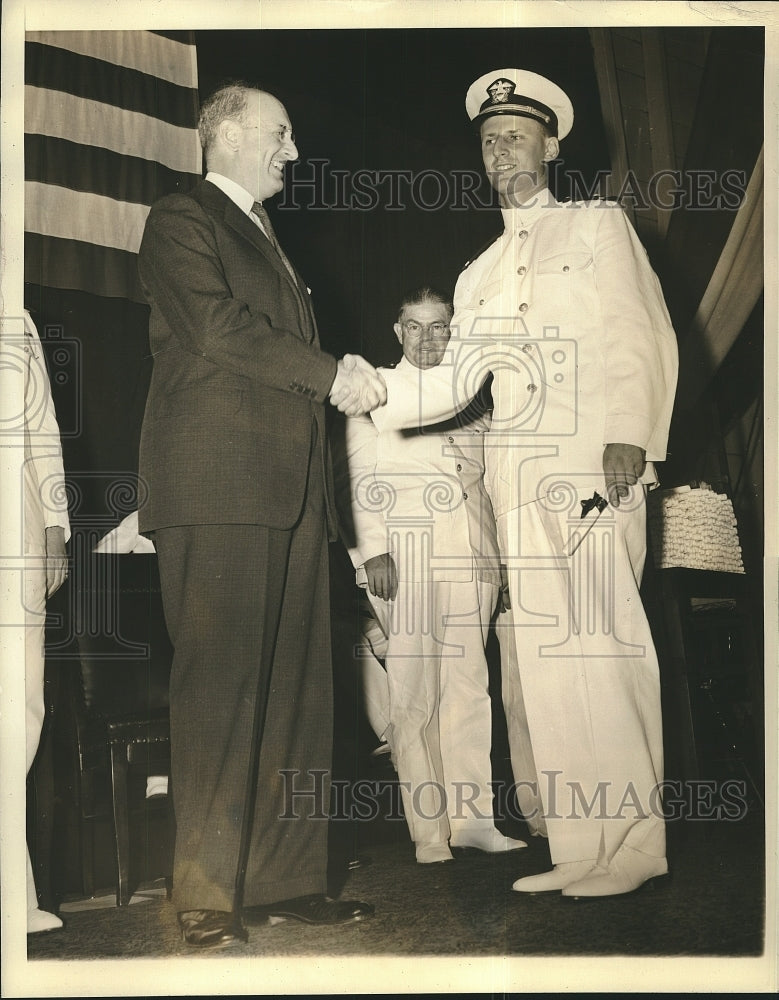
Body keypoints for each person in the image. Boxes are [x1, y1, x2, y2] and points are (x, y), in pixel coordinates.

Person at [367, 69, 679, 898]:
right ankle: (580, 846)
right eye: (487, 138)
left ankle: (636, 844)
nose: (498, 148)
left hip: (587, 468)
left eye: (514, 134)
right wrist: (358, 387)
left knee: (602, 649)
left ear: (551, 144)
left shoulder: (595, 224)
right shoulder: (476, 274)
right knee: (545, 666)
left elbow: (637, 332)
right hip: (514, 486)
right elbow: (449, 386)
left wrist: (629, 437)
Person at [137, 82, 384, 948]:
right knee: (221, 689)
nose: (291, 150)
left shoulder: (271, 239)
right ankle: (204, 891)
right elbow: (215, 329)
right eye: (280, 133)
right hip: (218, 487)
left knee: (297, 693)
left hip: (288, 491)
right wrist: (331, 374)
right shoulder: (181, 217)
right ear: (232, 135)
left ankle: (285, 878)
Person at [338, 287, 526, 864]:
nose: (427, 338)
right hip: (406, 553)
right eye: (415, 327)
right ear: (398, 333)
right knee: (414, 693)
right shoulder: (376, 390)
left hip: (470, 552)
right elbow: (356, 481)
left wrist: (503, 559)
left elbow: (491, 484)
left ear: (454, 329)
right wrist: (371, 555)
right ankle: (428, 832)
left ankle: (474, 820)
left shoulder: (474, 399)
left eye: (439, 326)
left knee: (470, 687)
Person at [23, 309, 70, 933]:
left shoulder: (18, 318)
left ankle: (14, 892)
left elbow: (41, 427)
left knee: (21, 709)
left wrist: (55, 526)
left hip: (18, 533)